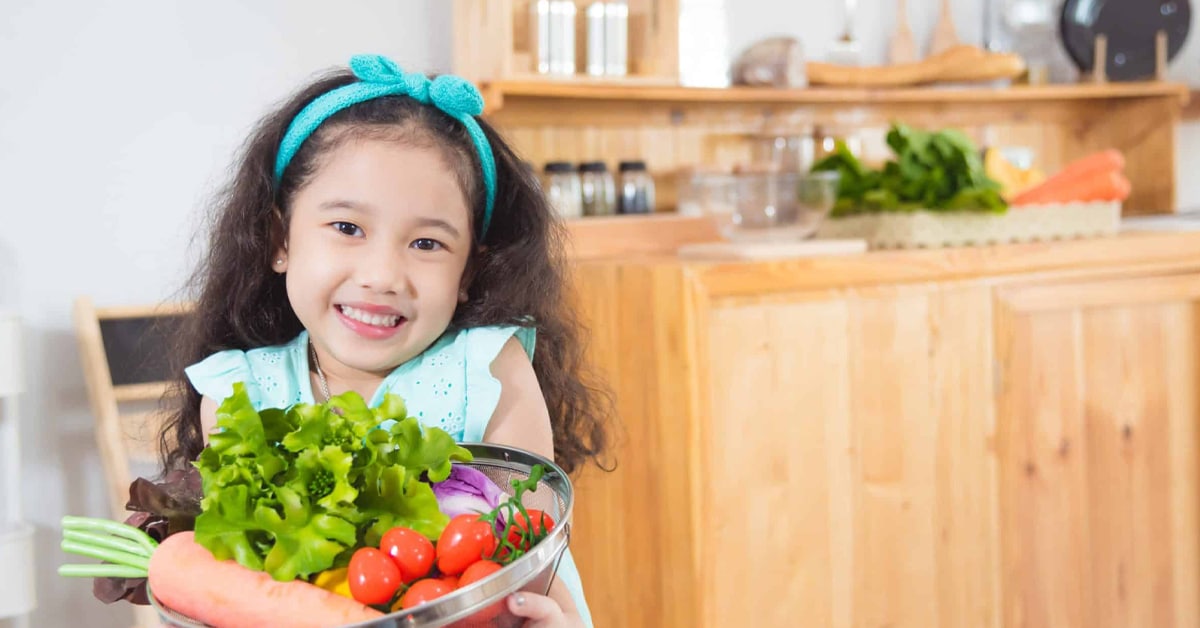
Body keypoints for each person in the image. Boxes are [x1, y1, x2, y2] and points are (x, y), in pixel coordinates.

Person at [157, 54, 612, 627]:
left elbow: (533, 568)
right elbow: (242, 590)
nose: (382, 275)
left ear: (468, 272)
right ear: (280, 240)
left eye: (427, 244)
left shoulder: (491, 371)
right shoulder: (238, 392)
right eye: (347, 228)